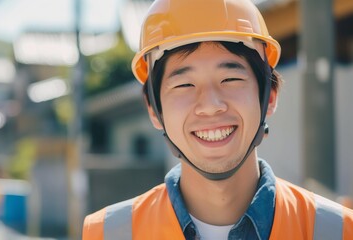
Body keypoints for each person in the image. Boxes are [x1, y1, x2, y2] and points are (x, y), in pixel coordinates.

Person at [82, 0, 353, 239]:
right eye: (184, 85)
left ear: (269, 96)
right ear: (154, 109)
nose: (210, 106)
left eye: (231, 79)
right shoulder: (108, 233)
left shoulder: (337, 230)